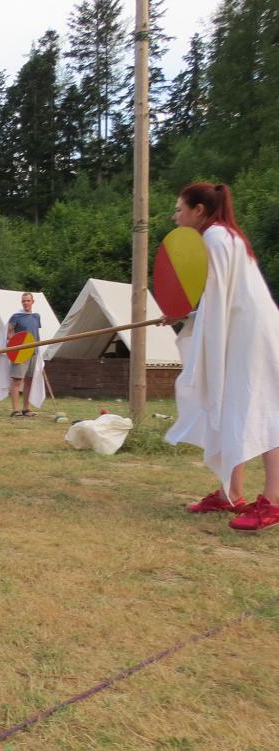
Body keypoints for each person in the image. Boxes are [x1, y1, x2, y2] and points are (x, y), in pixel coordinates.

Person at [167, 182, 279, 531]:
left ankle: (274, 502)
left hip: (250, 336)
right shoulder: (225, 236)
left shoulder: (215, 239)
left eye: (179, 209)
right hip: (241, 330)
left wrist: (184, 314)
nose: (175, 216)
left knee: (263, 409)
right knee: (233, 405)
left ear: (198, 210)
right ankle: (231, 493)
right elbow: (218, 299)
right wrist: (185, 313)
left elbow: (216, 302)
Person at [4, 292, 43, 417]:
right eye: (23, 301)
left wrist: (38, 350)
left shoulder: (37, 316)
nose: (25, 303)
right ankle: (15, 410)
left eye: (28, 301)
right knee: (17, 380)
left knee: (29, 381)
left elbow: (36, 334)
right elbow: (9, 334)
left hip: (33, 352)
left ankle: (26, 409)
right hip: (20, 352)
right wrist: (16, 344)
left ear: (33, 301)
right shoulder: (16, 316)